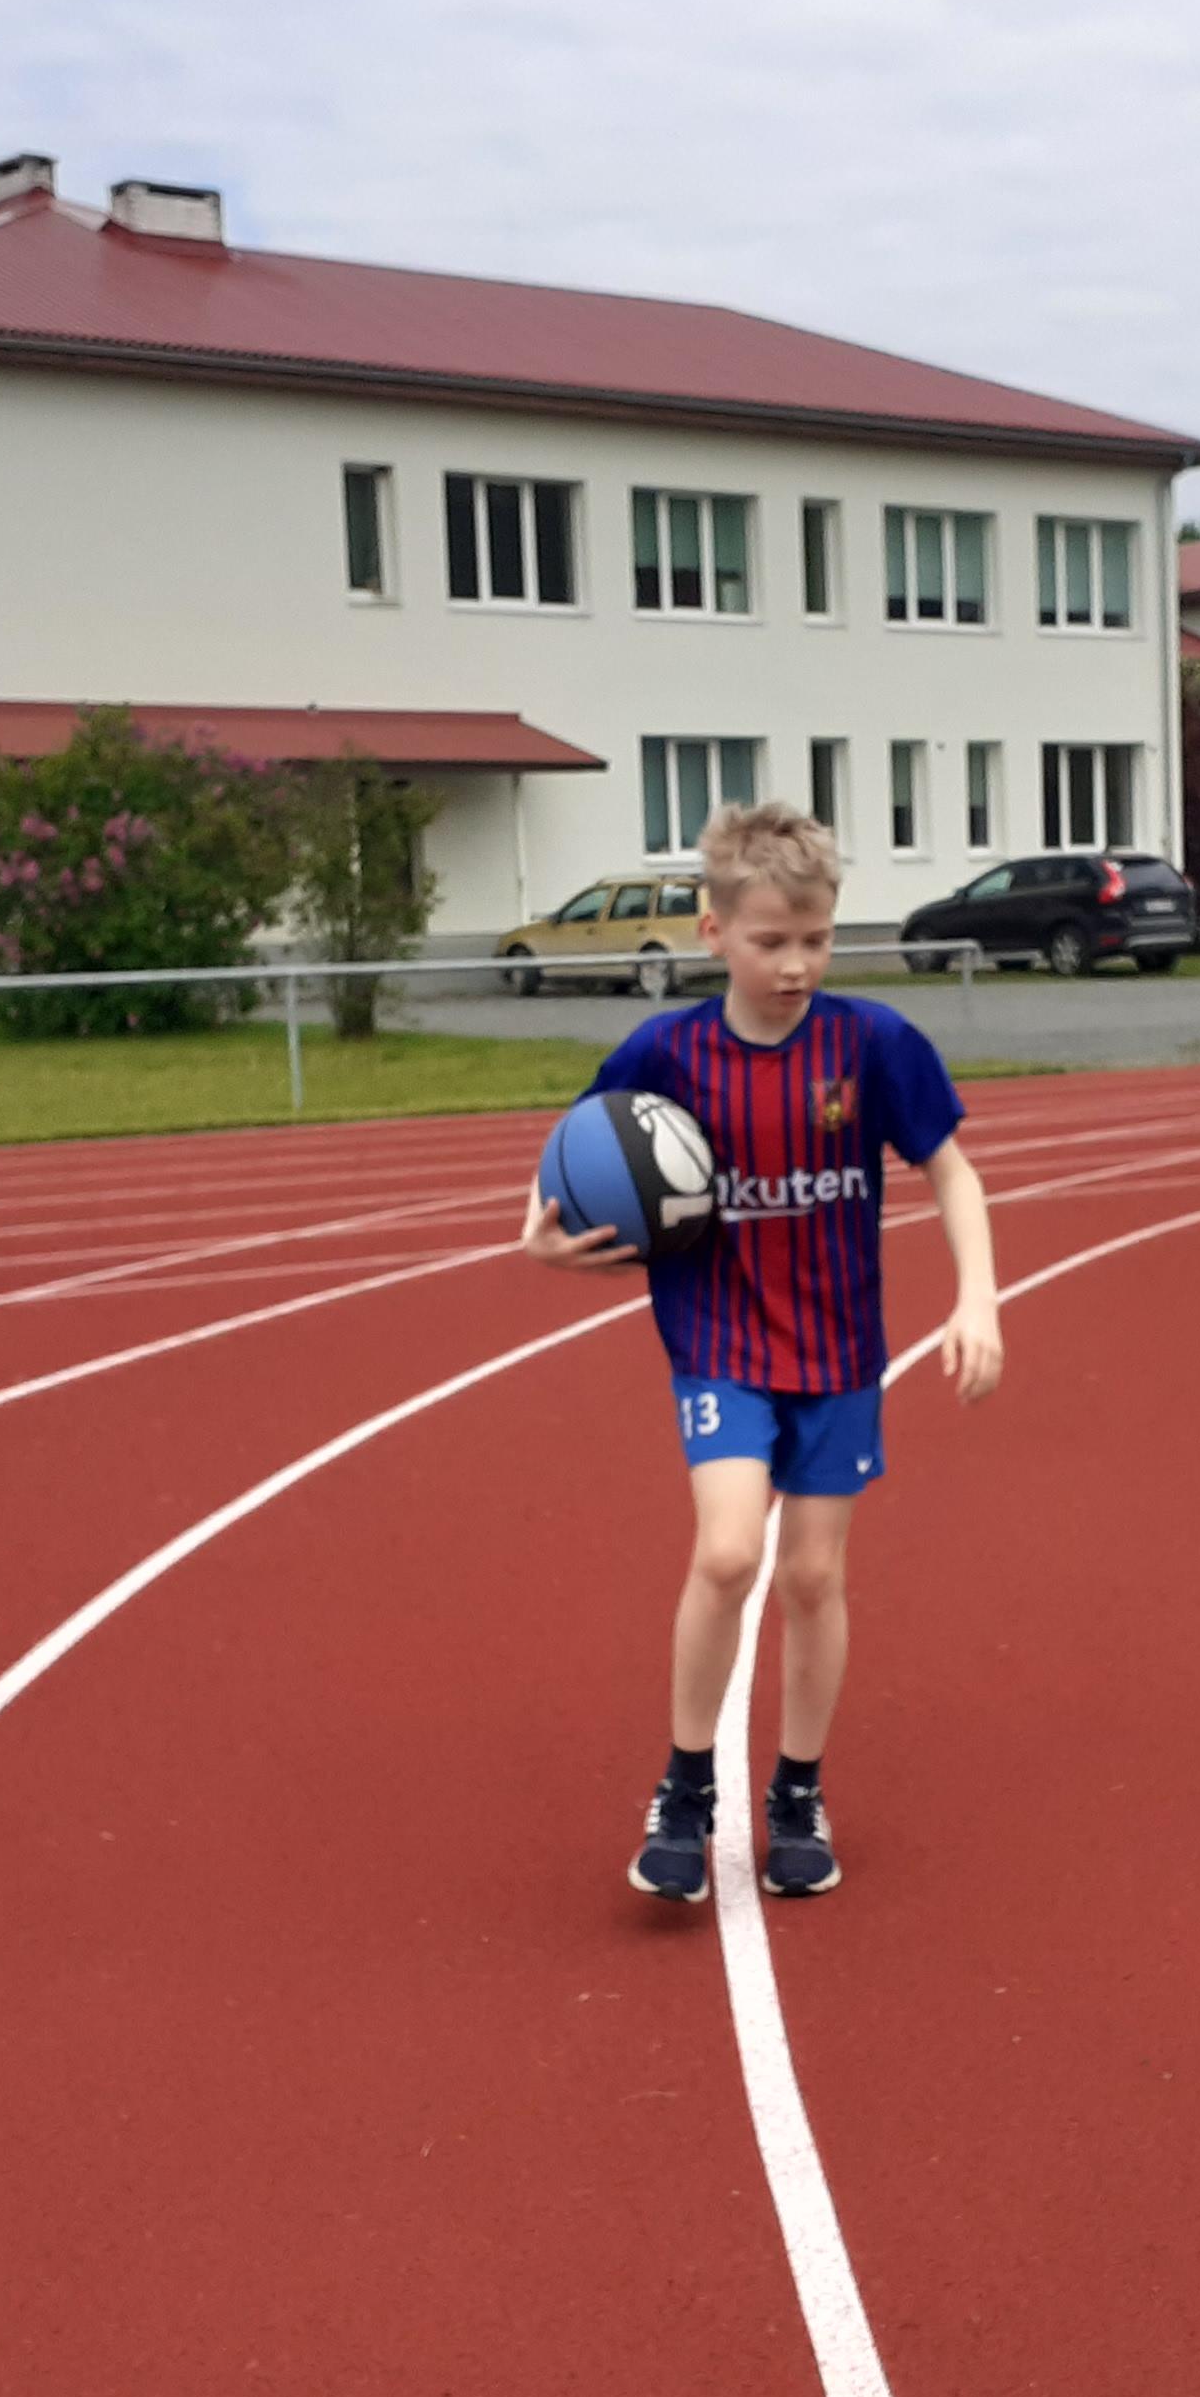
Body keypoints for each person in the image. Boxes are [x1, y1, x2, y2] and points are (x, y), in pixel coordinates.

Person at [520, 797, 1000, 1901]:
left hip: (839, 1352)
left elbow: (953, 1171)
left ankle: (796, 1793)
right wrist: (542, 1238)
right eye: (771, 940)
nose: (796, 964)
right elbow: (575, 1160)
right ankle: (685, 1789)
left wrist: (978, 1298)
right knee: (731, 1553)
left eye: (817, 939)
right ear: (714, 931)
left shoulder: (872, 1044)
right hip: (721, 1343)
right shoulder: (665, 1052)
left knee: (815, 1575)